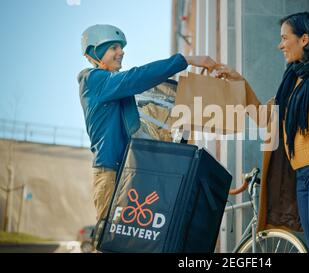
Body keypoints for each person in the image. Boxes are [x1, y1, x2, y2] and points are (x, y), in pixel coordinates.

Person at [78, 24, 217, 222]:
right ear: (96, 52)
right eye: (114, 48)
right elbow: (137, 77)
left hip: (129, 170)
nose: (121, 52)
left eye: (121, 47)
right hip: (110, 172)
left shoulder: (113, 86)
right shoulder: (93, 80)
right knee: (113, 241)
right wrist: (185, 60)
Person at [216, 12, 309, 253]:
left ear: (304, 39)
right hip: (300, 175)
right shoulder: (291, 82)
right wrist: (238, 82)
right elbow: (264, 117)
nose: (280, 45)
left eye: (285, 38)